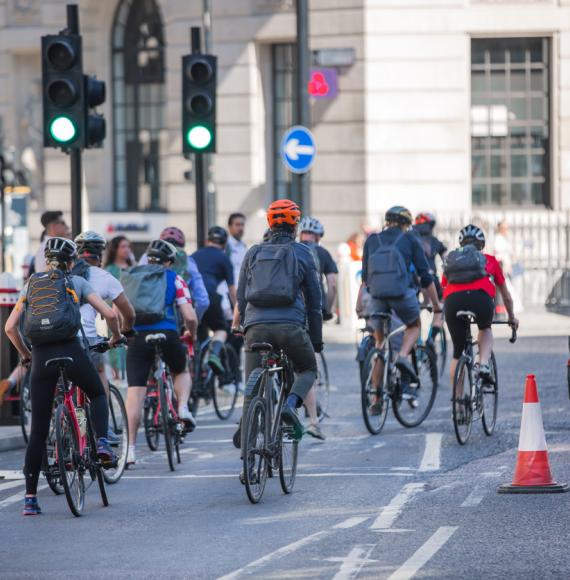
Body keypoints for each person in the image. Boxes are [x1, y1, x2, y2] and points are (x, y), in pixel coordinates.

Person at [4, 237, 124, 516]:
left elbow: (10, 327)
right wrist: (115, 337)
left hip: (42, 357)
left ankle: (31, 498)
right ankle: (103, 444)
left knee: (38, 431)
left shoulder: (31, 284)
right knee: (96, 392)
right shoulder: (77, 282)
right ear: (72, 261)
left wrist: (26, 355)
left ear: (47, 260)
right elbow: (109, 313)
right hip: (72, 350)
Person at [233, 199, 323, 452]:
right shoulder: (303, 252)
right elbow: (315, 302)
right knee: (307, 369)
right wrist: (316, 339)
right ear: (295, 225)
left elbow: (241, 296)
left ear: (270, 224)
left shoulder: (253, 253)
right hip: (290, 327)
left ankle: (248, 455)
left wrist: (242, 326)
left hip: (255, 327)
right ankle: (289, 405)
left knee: (251, 390)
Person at [124, 239, 198, 467]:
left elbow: (119, 311)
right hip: (167, 332)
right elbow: (190, 316)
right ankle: (183, 407)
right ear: (169, 261)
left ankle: (130, 450)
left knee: (135, 392)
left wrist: (124, 333)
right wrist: (191, 334)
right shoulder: (174, 278)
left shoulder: (131, 277)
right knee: (181, 369)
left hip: (137, 336)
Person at [356, 206, 442, 401]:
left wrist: (360, 303)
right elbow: (424, 275)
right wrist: (436, 304)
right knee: (414, 326)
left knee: (379, 344)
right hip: (401, 294)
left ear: (387, 222)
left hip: (376, 296)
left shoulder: (372, 240)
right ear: (406, 224)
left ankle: (375, 400)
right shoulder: (410, 238)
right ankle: (403, 356)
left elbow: (365, 276)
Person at [72, 231, 135, 443]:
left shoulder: (62, 273)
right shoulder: (105, 278)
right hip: (86, 338)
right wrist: (122, 333)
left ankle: (63, 421)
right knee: (99, 378)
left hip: (54, 339)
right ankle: (102, 431)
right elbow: (128, 313)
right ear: (100, 254)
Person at [442, 224, 519, 387]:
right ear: (482, 244)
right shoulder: (490, 260)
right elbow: (506, 296)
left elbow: (444, 289)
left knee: (457, 353)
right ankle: (483, 363)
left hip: (453, 301)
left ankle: (458, 407)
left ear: (461, 244)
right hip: (480, 299)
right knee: (484, 328)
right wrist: (512, 318)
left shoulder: (452, 260)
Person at [298, 216, 338, 440]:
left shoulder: (291, 250)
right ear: (318, 236)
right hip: (312, 309)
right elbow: (332, 284)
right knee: (308, 361)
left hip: (288, 310)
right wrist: (328, 309)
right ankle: (313, 418)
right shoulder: (322, 253)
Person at [138, 227, 210, 322]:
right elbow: (203, 301)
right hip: (175, 322)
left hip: (145, 319)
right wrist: (194, 321)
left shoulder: (145, 258)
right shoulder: (185, 268)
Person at [192, 226, 236, 375]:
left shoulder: (194, 255)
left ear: (207, 241)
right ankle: (214, 355)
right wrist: (238, 310)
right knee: (221, 329)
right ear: (224, 244)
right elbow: (232, 290)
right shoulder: (224, 258)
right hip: (209, 296)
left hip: (191, 299)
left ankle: (195, 368)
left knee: (197, 332)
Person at [413, 212, 447, 335]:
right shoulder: (434, 241)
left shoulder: (409, 240)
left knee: (415, 308)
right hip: (430, 279)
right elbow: (447, 261)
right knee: (441, 305)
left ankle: (416, 337)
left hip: (412, 280)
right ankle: (431, 339)